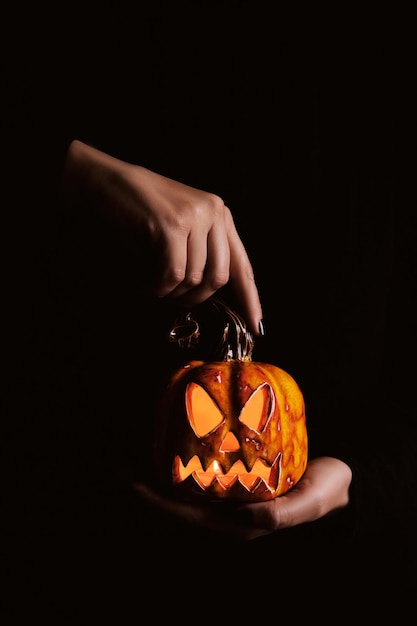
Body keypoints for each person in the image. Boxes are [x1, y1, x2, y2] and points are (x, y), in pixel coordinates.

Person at [3, 2, 416, 613]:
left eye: (244, 417)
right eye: (217, 413)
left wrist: (363, 476)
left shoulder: (390, 56)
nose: (230, 440)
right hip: (69, 537)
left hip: (346, 578)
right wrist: (68, 170)